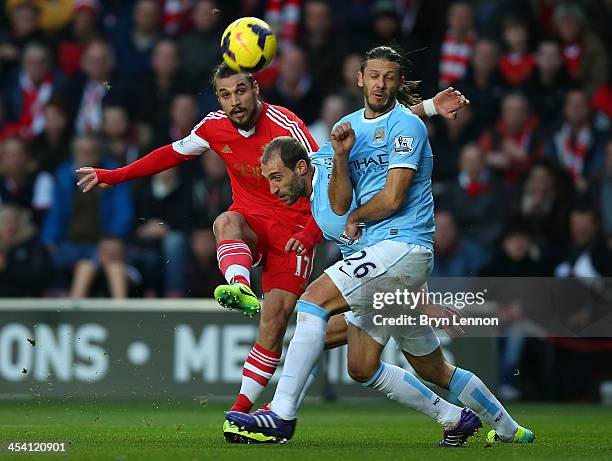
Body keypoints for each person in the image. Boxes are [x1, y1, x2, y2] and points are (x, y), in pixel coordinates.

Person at [75, 60, 468, 442]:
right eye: (226, 94)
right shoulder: (212, 127)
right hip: (252, 221)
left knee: (279, 324)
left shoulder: (286, 126)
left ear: (256, 90)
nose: (235, 101)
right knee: (225, 223)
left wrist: (313, 231)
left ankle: (248, 410)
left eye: (241, 90)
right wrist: (114, 175)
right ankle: (240, 292)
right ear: (218, 98)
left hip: (295, 230)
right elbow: (172, 153)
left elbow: (326, 168)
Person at [227, 46, 535, 447]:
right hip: (385, 264)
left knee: (311, 304)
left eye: (275, 178)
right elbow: (344, 190)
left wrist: (427, 110)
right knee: (387, 366)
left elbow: (391, 195)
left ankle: (281, 414)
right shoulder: (338, 141)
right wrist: (339, 158)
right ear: (360, 78)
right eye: (373, 76)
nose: (273, 188)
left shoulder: (406, 127)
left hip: (400, 247)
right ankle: (493, 426)